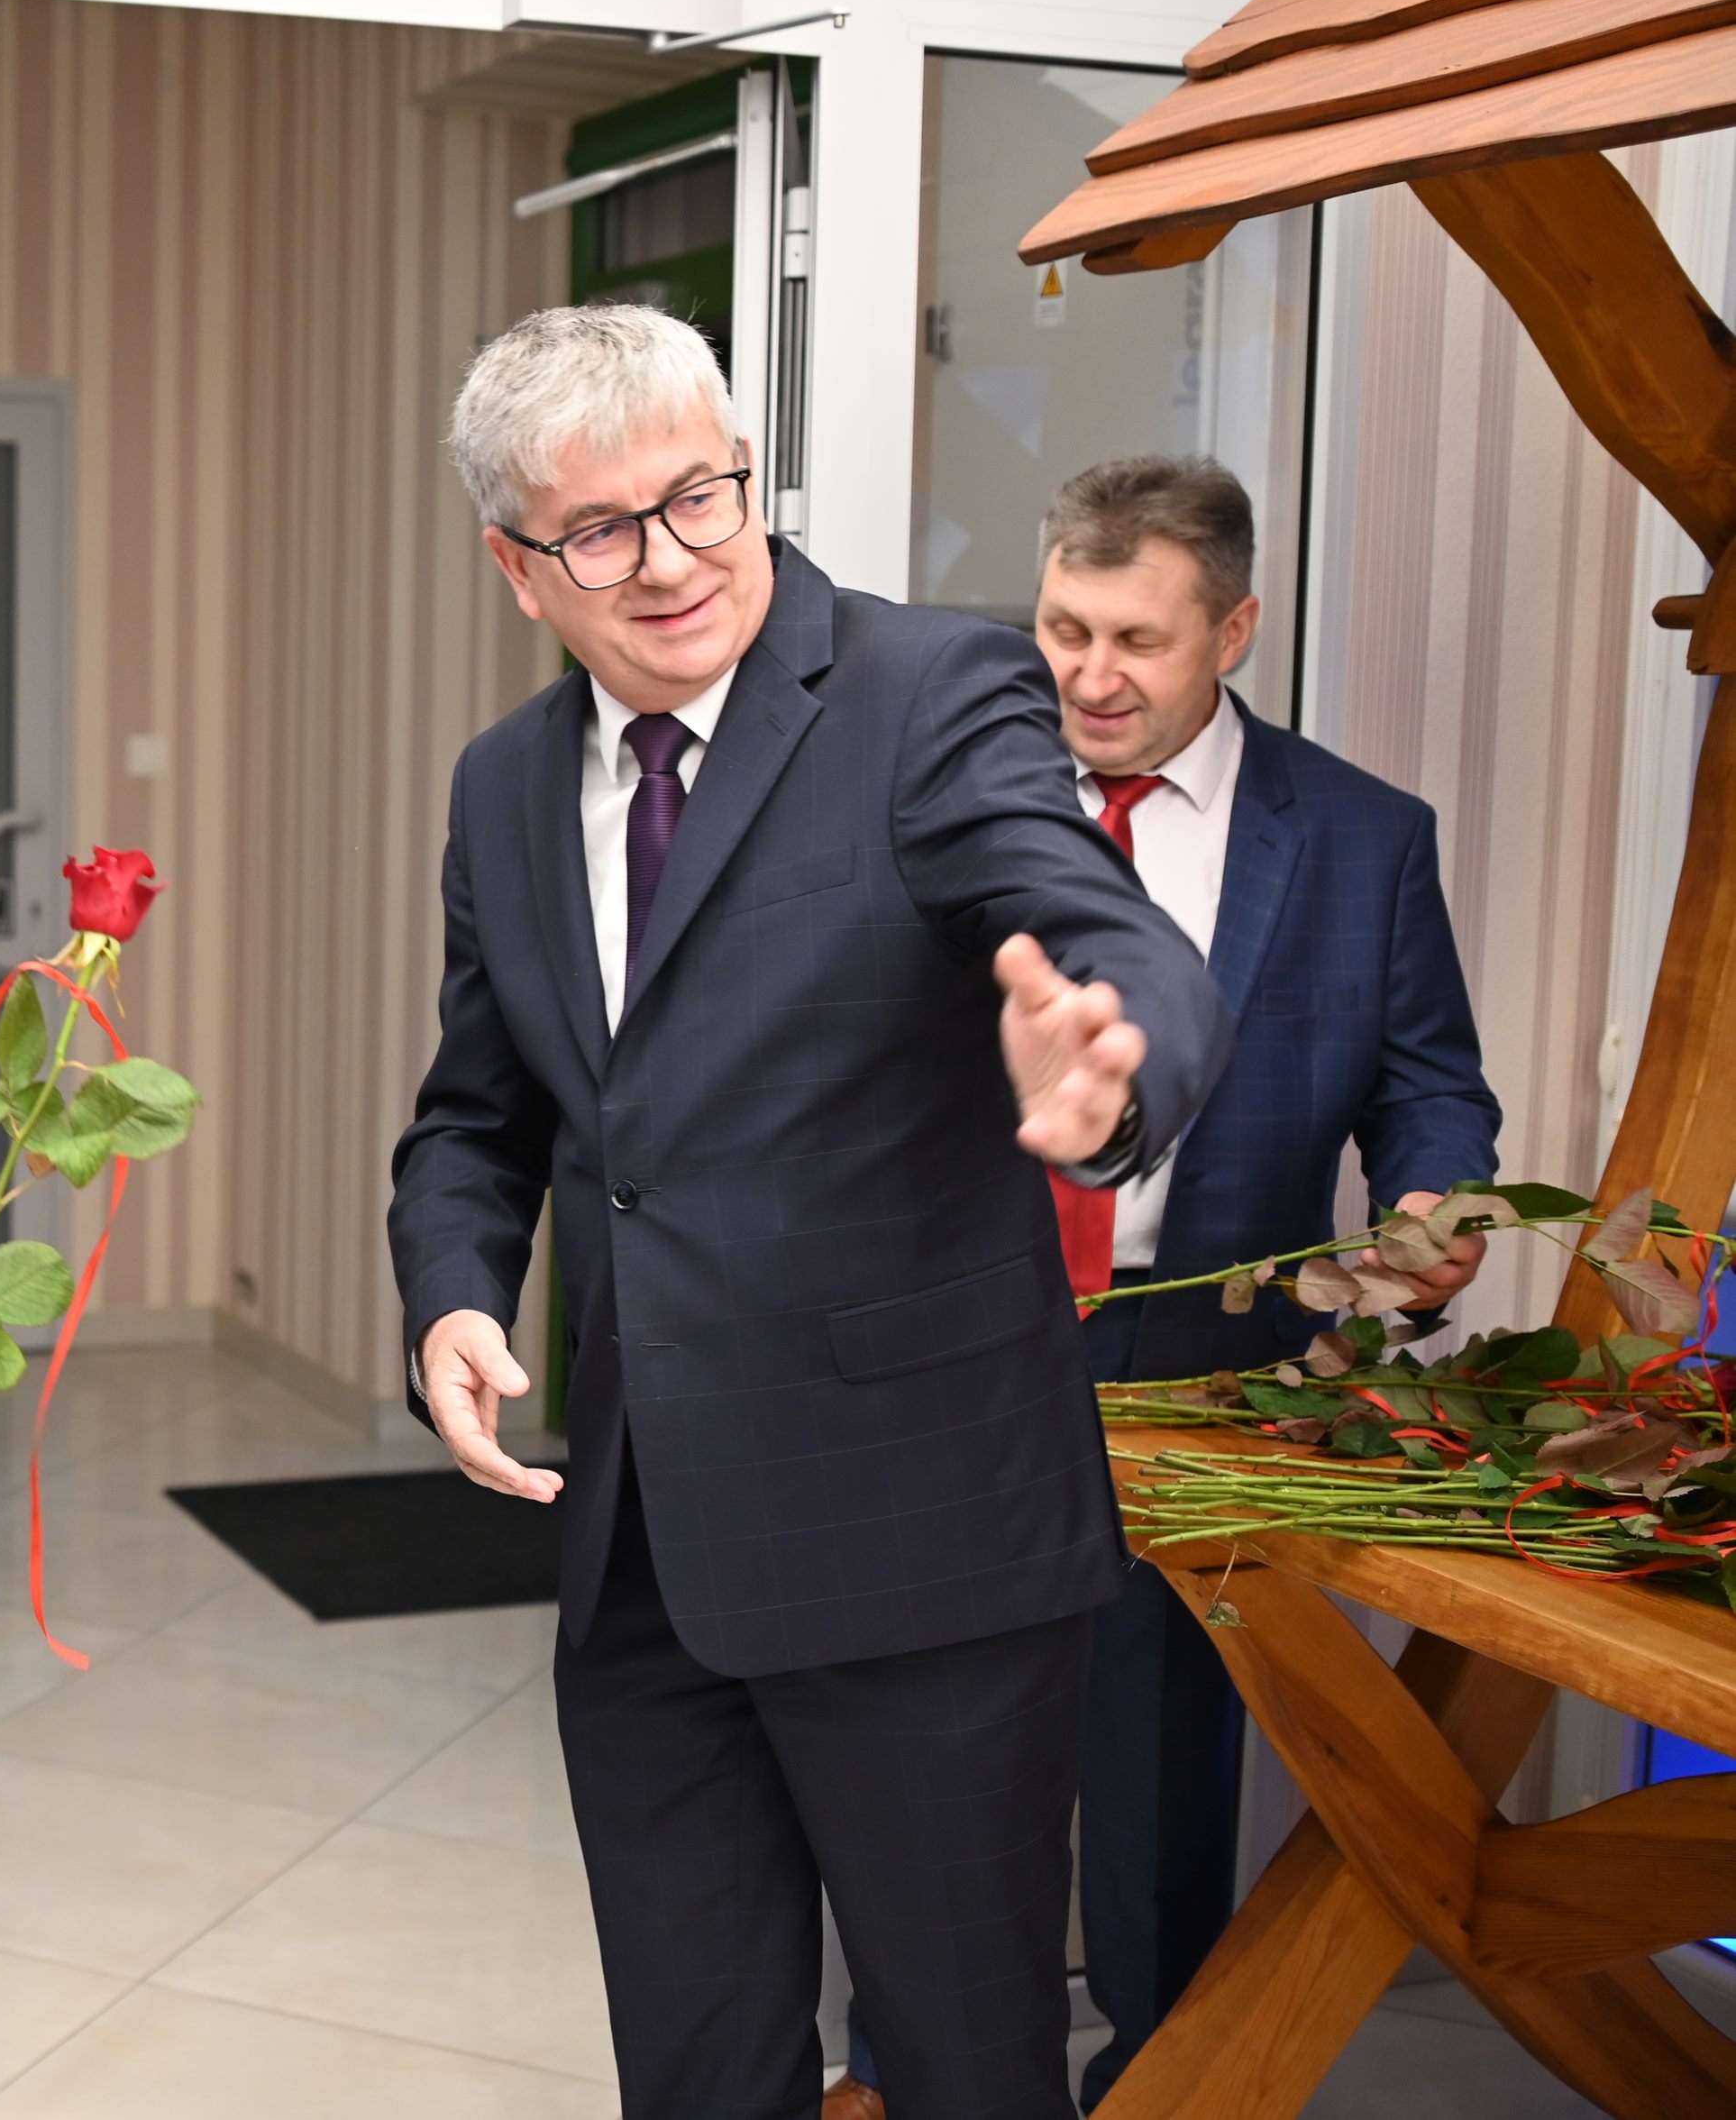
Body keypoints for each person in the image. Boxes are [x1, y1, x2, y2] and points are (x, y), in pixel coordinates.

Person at [388, 303, 1232, 2120]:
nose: (669, 558)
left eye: (698, 495)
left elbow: (1097, 926)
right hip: (642, 1559)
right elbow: (478, 1111)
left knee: (962, 2065)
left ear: (745, 473)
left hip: (917, 1546)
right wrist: (453, 1291)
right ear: (515, 566)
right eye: (598, 530)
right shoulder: (504, 786)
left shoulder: (930, 690)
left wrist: (1108, 1071)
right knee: (694, 2070)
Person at [831, 456, 1502, 2116]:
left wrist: (1433, 1203)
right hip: (962, 1348)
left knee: (1154, 1766)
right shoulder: (946, 800)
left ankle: (1157, 2081)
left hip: (1202, 1362)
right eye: (1064, 627)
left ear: (1236, 630)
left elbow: (1429, 1085)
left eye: (1138, 637)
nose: (1091, 674)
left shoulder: (1362, 839)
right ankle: (908, 2080)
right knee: (934, 1753)